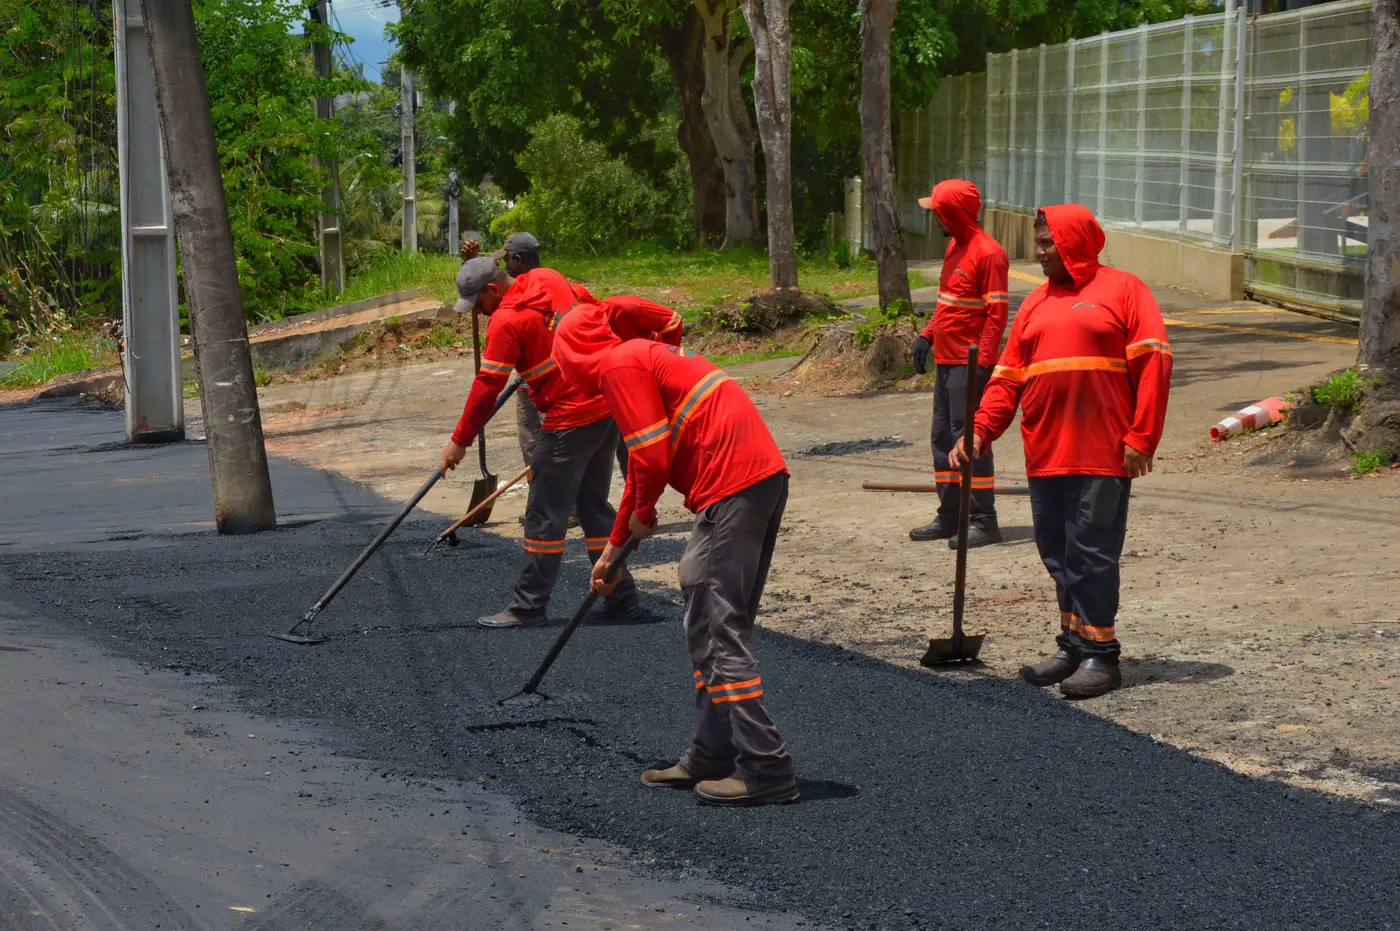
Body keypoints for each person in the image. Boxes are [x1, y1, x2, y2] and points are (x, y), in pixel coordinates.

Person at [552, 302, 798, 808]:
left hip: (732, 484)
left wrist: (641, 514)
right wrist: (616, 549)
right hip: (755, 479)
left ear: (574, 358)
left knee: (718, 626)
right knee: (705, 625)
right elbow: (642, 467)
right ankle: (710, 755)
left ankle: (767, 767)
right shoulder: (642, 356)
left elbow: (651, 458)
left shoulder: (619, 365)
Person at [951, 204, 1172, 698]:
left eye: (1048, 242)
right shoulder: (1034, 303)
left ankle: (1101, 656)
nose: (1040, 250)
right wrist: (981, 428)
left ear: (1074, 242)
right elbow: (1008, 376)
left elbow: (1154, 363)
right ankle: (1072, 644)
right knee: (1058, 552)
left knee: (1093, 552)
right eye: (1039, 241)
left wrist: (1142, 437)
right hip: (1045, 450)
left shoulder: (1125, 290)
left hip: (1102, 451)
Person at [441, 256, 642, 628]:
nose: (481, 314)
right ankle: (622, 598)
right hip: (606, 404)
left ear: (492, 289)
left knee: (544, 513)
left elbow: (487, 386)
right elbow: (590, 306)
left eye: (480, 304)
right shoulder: (549, 277)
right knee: (592, 506)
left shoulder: (505, 320)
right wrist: (546, 354)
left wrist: (460, 441)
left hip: (570, 418)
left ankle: (528, 607)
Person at [909, 179, 1010, 548]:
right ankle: (951, 516)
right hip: (947, 362)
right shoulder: (955, 246)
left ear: (953, 213)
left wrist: (981, 366)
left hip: (969, 366)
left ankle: (985, 520)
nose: (935, 218)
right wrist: (927, 335)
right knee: (941, 439)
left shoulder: (989, 255)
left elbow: (996, 318)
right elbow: (948, 303)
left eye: (938, 211)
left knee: (970, 441)